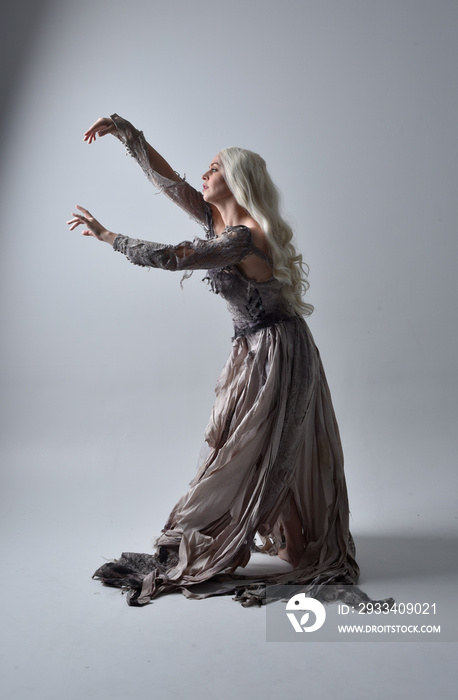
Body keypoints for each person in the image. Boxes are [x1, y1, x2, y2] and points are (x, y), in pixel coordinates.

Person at [68, 114, 360, 607]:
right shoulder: (216, 219)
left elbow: (176, 257)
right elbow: (171, 184)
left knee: (258, 447)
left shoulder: (242, 237)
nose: (204, 176)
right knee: (243, 446)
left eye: (214, 168)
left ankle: (260, 539)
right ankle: (285, 538)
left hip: (281, 352)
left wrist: (109, 237)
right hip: (249, 348)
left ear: (238, 179)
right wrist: (126, 132)